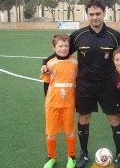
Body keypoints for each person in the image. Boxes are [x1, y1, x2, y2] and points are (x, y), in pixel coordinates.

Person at [41, 0, 120, 168]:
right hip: (85, 86)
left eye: (98, 13)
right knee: (84, 118)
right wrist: (45, 62)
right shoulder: (78, 35)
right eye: (91, 14)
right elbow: (62, 53)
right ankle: (84, 154)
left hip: (107, 85)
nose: (95, 17)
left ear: (104, 13)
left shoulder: (114, 35)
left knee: (114, 118)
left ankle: (119, 155)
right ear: (86, 14)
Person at [40, 33, 78, 168]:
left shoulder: (75, 62)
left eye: (66, 45)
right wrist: (47, 101)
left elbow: (79, 82)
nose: (64, 48)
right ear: (54, 47)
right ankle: (51, 158)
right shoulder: (50, 64)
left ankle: (71, 157)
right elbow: (46, 83)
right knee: (51, 132)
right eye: (60, 46)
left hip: (68, 104)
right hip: (52, 104)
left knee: (69, 131)